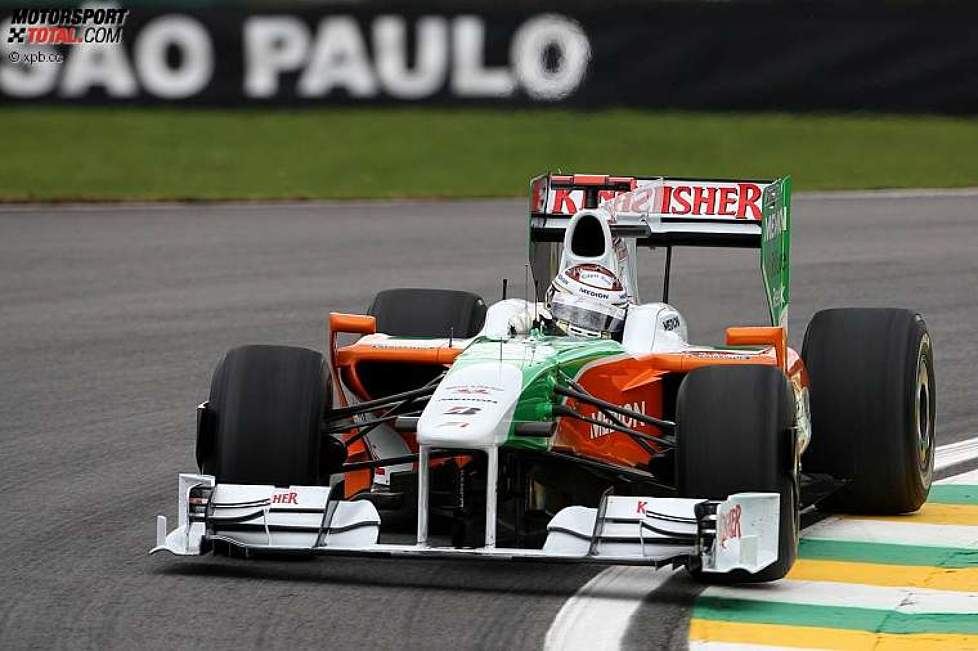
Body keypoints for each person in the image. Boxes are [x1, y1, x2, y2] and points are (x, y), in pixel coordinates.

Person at [507, 262, 631, 340]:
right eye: (574, 312)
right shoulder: (534, 319)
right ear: (550, 301)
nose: (582, 326)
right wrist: (519, 334)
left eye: (595, 318)